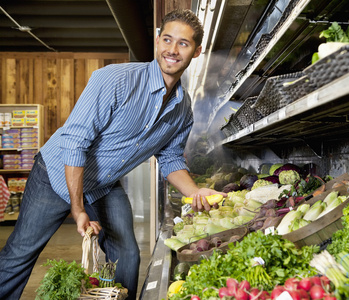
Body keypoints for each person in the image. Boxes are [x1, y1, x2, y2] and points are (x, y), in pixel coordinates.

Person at [0, 9, 226, 300]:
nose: (172, 49)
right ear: (157, 41)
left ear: (196, 51)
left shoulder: (182, 111)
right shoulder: (114, 80)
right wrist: (77, 208)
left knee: (127, 253)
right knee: (21, 251)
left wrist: (195, 192)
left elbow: (170, 158)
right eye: (167, 39)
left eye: (183, 43)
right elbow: (74, 142)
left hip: (104, 182)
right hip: (56, 172)